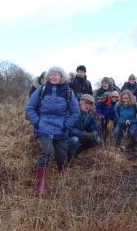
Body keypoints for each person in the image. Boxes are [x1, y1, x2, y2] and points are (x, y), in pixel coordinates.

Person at [26, 66, 80, 194]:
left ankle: (62, 167)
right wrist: (37, 122)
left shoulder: (68, 92)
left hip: (61, 129)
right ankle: (40, 184)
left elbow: (75, 112)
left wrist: (66, 125)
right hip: (43, 127)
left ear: (62, 77)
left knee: (61, 155)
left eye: (56, 75)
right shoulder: (42, 89)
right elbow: (30, 108)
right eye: (51, 75)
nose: (53, 77)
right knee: (47, 151)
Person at [68, 94, 100, 163]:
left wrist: (94, 134)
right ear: (80, 102)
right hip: (66, 138)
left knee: (97, 140)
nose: (87, 105)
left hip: (80, 136)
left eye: (90, 104)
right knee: (74, 140)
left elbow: (94, 128)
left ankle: (76, 152)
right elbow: (68, 130)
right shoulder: (71, 111)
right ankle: (67, 159)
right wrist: (84, 134)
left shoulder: (89, 115)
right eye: (86, 102)